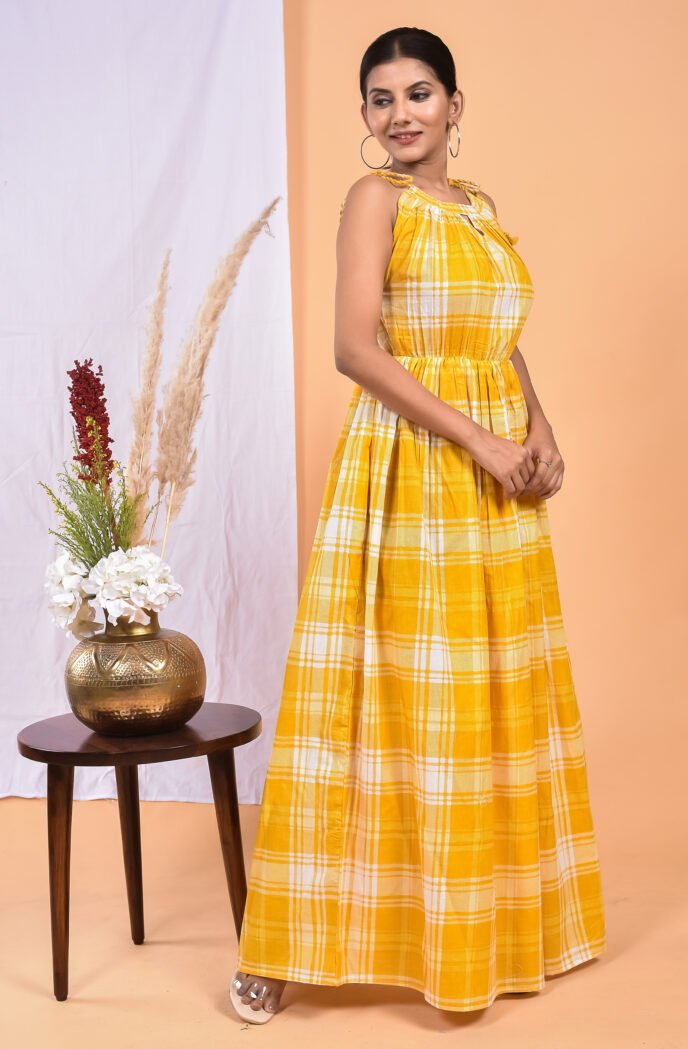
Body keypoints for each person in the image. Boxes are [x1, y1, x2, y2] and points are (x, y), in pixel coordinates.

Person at [229, 26, 606, 1024]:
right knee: (371, 699)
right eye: (381, 98)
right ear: (364, 118)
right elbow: (357, 350)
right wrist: (479, 442)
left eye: (419, 92)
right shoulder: (375, 201)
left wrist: (537, 427)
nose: (400, 113)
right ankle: (284, 942)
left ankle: (477, 931)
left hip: (494, 477)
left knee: (479, 704)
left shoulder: (478, 210)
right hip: (407, 473)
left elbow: (498, 342)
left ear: (454, 103)